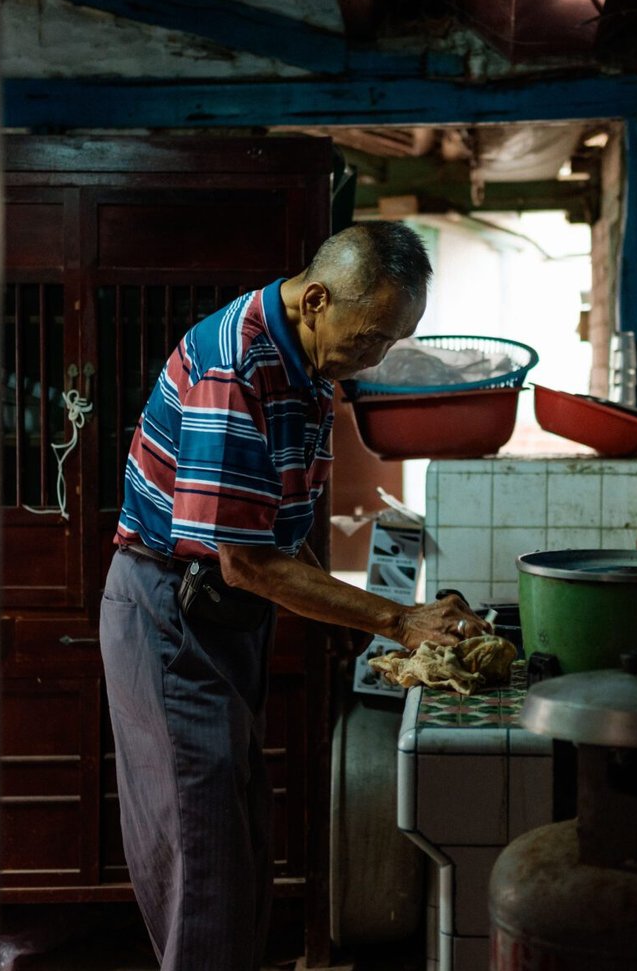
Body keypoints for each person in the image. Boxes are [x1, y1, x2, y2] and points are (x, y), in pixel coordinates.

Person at [98, 222, 489, 971]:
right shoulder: (236, 366)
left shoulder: (306, 367)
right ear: (315, 299)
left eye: (389, 342)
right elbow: (245, 560)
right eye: (370, 339)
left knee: (241, 847)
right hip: (169, 616)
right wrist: (398, 620)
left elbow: (275, 527)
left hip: (220, 617)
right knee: (204, 861)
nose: (372, 359)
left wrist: (352, 620)